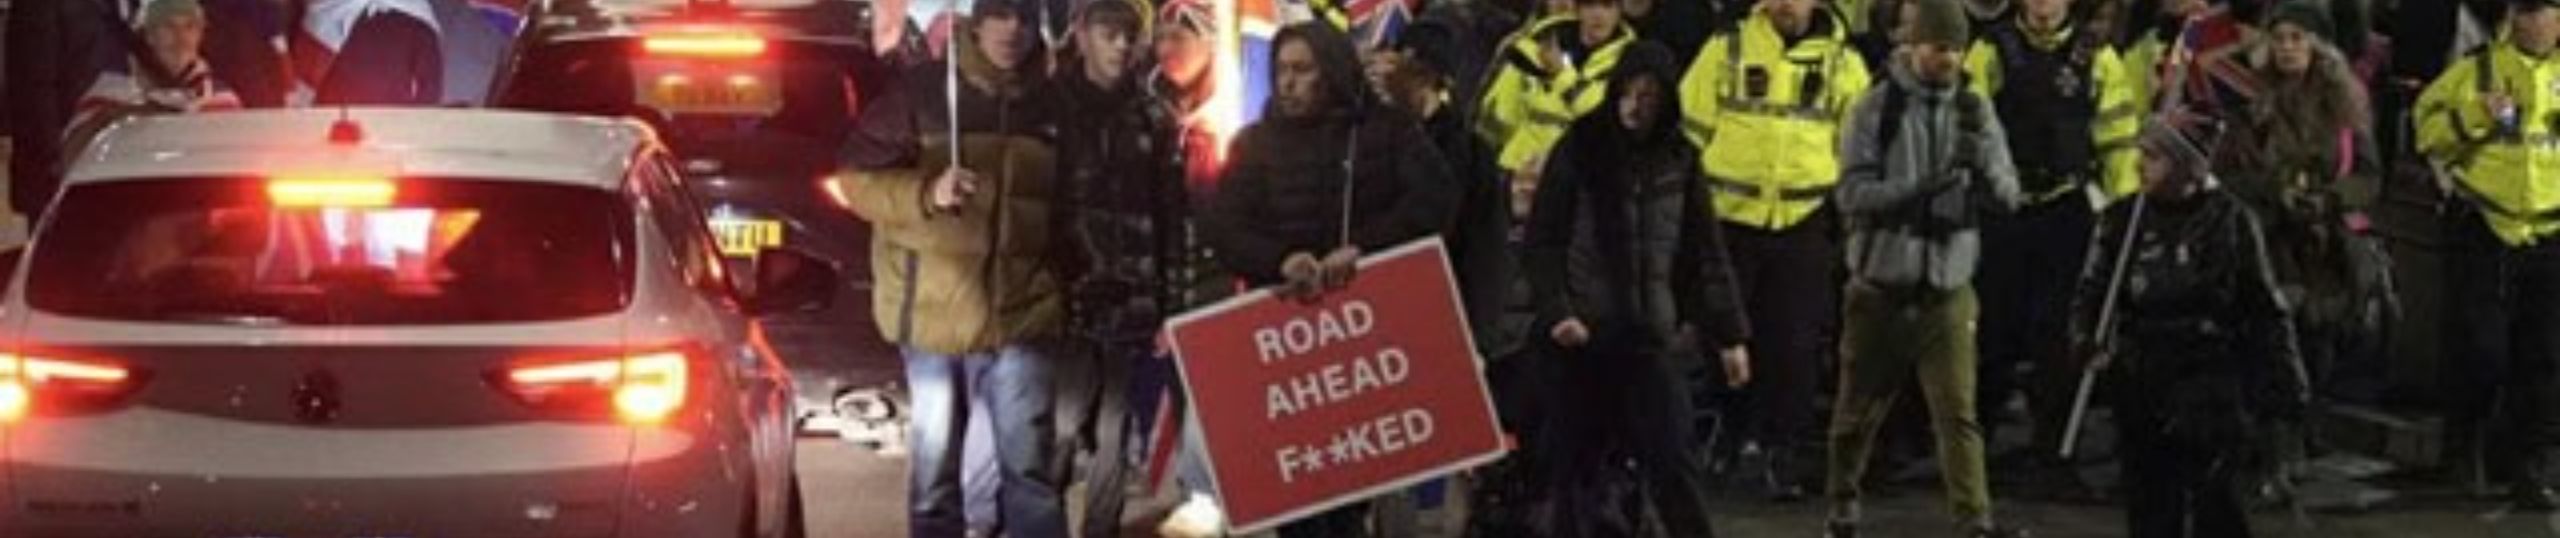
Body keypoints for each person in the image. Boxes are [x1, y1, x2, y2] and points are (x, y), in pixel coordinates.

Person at [827, 0, 1075, 535]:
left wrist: (1065, 287)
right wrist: (927, 193)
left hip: (1021, 314)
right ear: (976, 22)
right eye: (1000, 14)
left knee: (1030, 472)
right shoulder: (922, 93)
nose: (1012, 29)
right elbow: (855, 180)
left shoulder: (1054, 106)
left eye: (1024, 17)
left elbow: (1068, 210)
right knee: (935, 475)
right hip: (933, 314)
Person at [1205, 21, 1457, 538]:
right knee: (1297, 496)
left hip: (1369, 341)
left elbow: (1436, 201)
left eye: (1302, 70)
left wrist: (1366, 248)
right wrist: (1279, 260)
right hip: (1288, 347)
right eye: (1281, 70)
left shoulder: (1386, 132)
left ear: (1333, 72)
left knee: (1357, 492)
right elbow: (1224, 228)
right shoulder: (1254, 144)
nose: (1288, 82)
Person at [1522, 39, 1750, 538]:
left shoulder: (1681, 158)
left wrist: (1730, 336)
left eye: (1647, 95)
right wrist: (1559, 311)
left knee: (1674, 464)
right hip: (1583, 340)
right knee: (1571, 475)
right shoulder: (1580, 148)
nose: (1634, 105)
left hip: (1650, 341)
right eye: (1627, 92)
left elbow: (1704, 253)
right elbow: (1543, 241)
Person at [1821, 2, 2030, 537]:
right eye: (1940, 47)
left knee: (1958, 415)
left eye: (1958, 49)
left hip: (1947, 290)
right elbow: (1850, 194)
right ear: (1913, 45)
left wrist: (1986, 173)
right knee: (1855, 416)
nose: (1950, 59)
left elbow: (2010, 193)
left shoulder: (1975, 109)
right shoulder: (1875, 108)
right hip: (1880, 289)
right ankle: (1842, 504)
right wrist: (1919, 188)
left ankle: (1974, 521)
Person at [2076, 115, 2306, 538]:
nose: (2140, 164)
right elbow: (2093, 291)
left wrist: (2285, 381)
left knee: (2216, 500)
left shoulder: (2231, 221)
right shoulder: (2121, 220)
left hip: (2209, 374)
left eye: (2154, 156)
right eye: (2141, 153)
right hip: (2143, 371)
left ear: (2186, 166)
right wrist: (2087, 340)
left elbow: (2263, 305)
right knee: (2151, 501)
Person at [1678, 0, 1872, 501]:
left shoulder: (1844, 63)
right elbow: (1688, 134)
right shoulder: (1727, 48)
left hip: (1802, 222)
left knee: (1794, 343)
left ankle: (1780, 449)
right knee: (1722, 336)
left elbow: (1858, 149)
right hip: (1728, 221)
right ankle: (1727, 435)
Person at [1957, 0, 2137, 495]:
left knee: (2059, 337)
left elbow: (2118, 138)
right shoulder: (1991, 49)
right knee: (1991, 332)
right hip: (2002, 210)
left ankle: (2053, 451)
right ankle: (1970, 451)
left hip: (2066, 209)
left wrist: (2123, 211)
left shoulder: (2098, 56)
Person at [2415, 0, 2560, 509]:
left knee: (2545, 357)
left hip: (2550, 232)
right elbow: (2426, 132)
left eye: (2544, 12)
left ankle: (2532, 467)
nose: (2533, 22)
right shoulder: (2476, 69)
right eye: (2525, 11)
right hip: (2485, 227)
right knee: (2481, 349)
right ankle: (2465, 447)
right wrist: (2476, 114)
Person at [1048, 1, 1185, 535]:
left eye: (1130, 33)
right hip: (1066, 299)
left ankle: (1100, 529)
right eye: (1110, 32)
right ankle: (1043, 523)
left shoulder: (1155, 116)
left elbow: (1173, 216)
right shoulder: (1048, 109)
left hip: (1133, 297)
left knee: (1116, 427)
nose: (1122, 44)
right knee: (1061, 424)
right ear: (1082, 35)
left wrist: (1172, 303)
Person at [2218, 0, 2387, 405]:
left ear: (2318, 45)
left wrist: (2331, 198)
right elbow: (2226, 174)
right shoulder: (2250, 99)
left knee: (2324, 332)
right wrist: (2274, 190)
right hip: (2270, 236)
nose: (2287, 47)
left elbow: (2369, 175)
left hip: (2327, 235)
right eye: (2278, 38)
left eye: (2297, 38)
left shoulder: (2345, 103)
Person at [1476, 0, 1636, 198]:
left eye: (1607, 6)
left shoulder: (1628, 60)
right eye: (1591, 5)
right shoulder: (1535, 45)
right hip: (1516, 167)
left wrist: (1561, 74)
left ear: (1619, 12)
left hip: (1576, 177)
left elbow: (1599, 113)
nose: (1598, 15)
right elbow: (1501, 111)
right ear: (1578, 9)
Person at [67, 0, 245, 161]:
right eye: (168, 26)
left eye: (190, 27)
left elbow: (237, 161)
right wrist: (113, 119)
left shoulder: (222, 100)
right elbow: (70, 158)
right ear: (147, 36)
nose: (180, 37)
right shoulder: (109, 94)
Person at [294, 0, 443, 105]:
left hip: (392, 127)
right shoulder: (319, 13)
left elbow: (429, 91)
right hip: (330, 125)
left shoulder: (418, 20)